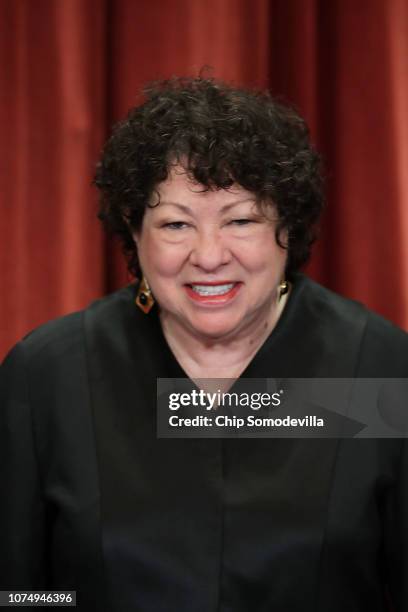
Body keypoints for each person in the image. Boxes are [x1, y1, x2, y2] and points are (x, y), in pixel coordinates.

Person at [1, 76, 407, 612]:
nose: (209, 255)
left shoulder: (377, 371)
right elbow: (19, 594)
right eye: (175, 224)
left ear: (286, 225)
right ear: (134, 229)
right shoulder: (50, 375)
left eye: (240, 219)